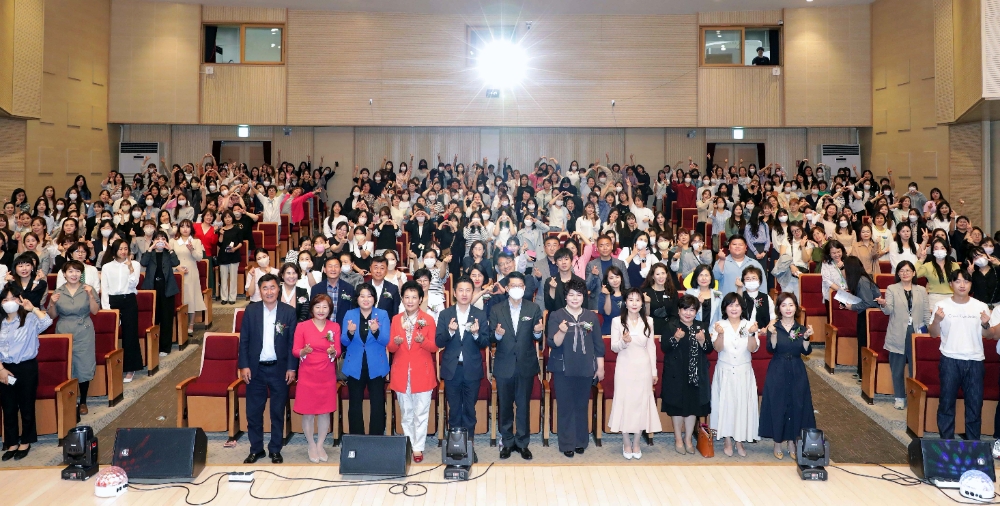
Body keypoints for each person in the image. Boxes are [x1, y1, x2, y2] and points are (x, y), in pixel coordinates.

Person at [238, 274, 298, 464]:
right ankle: (256, 449)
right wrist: (244, 365)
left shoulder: (289, 312)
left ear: (278, 289)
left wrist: (291, 368)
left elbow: (292, 343)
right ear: (260, 290)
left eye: (272, 287)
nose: (269, 292)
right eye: (265, 288)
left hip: (279, 369)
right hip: (255, 369)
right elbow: (244, 340)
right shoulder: (251, 310)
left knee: (277, 411)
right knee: (253, 412)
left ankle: (275, 449)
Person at [488, 271, 544, 460]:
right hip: (504, 364)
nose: (517, 289)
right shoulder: (497, 309)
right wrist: (497, 335)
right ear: (507, 288)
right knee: (505, 406)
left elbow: (537, 336)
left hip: (525, 364)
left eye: (520, 286)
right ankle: (507, 442)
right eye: (513, 285)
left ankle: (522, 443)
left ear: (525, 288)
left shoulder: (533, 308)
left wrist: (538, 332)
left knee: (523, 406)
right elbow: (490, 337)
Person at [929, 269, 990, 440]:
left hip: (975, 360)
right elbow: (933, 334)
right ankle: (946, 442)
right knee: (946, 404)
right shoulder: (942, 305)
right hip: (950, 360)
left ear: (971, 284)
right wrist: (937, 320)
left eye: (966, 281)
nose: (962, 285)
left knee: (975, 406)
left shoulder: (981, 306)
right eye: (958, 281)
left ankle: (973, 444)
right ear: (951, 284)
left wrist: (986, 325)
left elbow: (988, 335)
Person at [546, 278, 604, 458]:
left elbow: (598, 344)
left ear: (584, 297)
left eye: (579, 295)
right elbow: (553, 343)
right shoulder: (556, 315)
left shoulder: (591, 317)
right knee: (565, 406)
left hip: (585, 367)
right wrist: (562, 330)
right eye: (571, 295)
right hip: (563, 368)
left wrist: (600, 367)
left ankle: (580, 441)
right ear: (565, 297)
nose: (575, 298)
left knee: (581, 405)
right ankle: (567, 443)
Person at [435, 276, 490, 460]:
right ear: (454, 293)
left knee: (469, 410)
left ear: (472, 293)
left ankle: (468, 447)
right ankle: (455, 447)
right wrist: (450, 332)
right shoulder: (445, 314)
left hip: (471, 369)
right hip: (452, 369)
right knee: (454, 410)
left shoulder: (479, 314)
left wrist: (476, 334)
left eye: (468, 290)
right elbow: (438, 341)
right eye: (461, 290)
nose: (464, 294)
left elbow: (485, 342)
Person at [759, 293, 816, 460]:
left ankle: (792, 442)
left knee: (796, 405)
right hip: (778, 369)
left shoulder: (801, 329)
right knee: (778, 405)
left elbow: (806, 351)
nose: (788, 308)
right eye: (784, 305)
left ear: (796, 307)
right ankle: (777, 442)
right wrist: (773, 335)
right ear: (779, 308)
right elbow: (771, 348)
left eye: (791, 305)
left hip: (797, 370)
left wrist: (807, 338)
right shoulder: (774, 327)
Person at [387, 281, 438, 463]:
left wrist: (422, 341)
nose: (410, 301)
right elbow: (390, 348)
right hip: (401, 372)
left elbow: (434, 347)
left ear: (420, 299)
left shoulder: (428, 319)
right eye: (407, 297)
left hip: (422, 372)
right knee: (406, 412)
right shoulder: (396, 319)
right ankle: (408, 443)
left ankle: (418, 447)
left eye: (414, 297)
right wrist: (396, 343)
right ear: (402, 299)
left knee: (421, 412)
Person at [0, 284, 53, 461]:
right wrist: (1, 370)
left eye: (13, 298)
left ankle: (26, 441)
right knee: (8, 407)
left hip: (26, 367)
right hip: (4, 368)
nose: (9, 302)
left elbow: (47, 322)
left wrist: (33, 308)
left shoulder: (29, 319)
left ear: (20, 299)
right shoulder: (1, 322)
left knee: (26, 406)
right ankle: (11, 443)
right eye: (5, 299)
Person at [608, 287, 661, 460]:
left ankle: (637, 442)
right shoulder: (617, 321)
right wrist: (624, 342)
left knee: (641, 403)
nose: (634, 303)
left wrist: (654, 371)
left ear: (642, 303)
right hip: (625, 366)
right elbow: (614, 347)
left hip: (643, 367)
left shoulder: (649, 321)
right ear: (625, 302)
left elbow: (651, 347)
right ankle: (626, 442)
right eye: (630, 299)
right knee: (625, 402)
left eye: (637, 300)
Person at [292, 294, 340, 463]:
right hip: (308, 373)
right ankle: (311, 445)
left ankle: (320, 445)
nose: (321, 310)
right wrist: (303, 351)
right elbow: (295, 350)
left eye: (325, 307)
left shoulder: (334, 327)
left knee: (325, 411)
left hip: (326, 373)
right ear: (312, 308)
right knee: (308, 412)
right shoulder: (302, 326)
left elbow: (338, 350)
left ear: (330, 310)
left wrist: (333, 352)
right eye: (318, 307)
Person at [710, 293, 760, 457]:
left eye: (737, 305)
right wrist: (720, 334)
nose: (734, 308)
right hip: (724, 370)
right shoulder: (719, 325)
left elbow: (752, 349)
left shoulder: (750, 325)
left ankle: (739, 440)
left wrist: (752, 334)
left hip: (743, 371)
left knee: (742, 405)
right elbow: (717, 349)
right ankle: (727, 440)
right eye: (730, 305)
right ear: (725, 308)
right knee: (725, 404)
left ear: (742, 308)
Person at [47, 260, 100, 416]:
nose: (74, 274)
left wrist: (90, 296)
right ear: (64, 274)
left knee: (84, 365)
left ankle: (83, 401)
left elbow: (95, 311)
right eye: (70, 271)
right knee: (67, 366)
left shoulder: (88, 289)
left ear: (81, 274)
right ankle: (69, 401)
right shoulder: (58, 291)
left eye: (77, 271)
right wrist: (51, 303)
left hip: (84, 330)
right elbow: (52, 316)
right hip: (63, 331)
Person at [661, 295, 711, 454]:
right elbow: (664, 348)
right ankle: (678, 438)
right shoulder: (671, 325)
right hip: (676, 374)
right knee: (677, 407)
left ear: (696, 312)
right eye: (685, 309)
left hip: (695, 374)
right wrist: (675, 338)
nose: (688, 313)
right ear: (679, 310)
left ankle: (688, 439)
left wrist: (702, 341)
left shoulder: (701, 326)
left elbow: (708, 349)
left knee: (692, 407)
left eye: (692, 310)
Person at [876, 261, 930, 410]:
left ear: (914, 273)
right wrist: (883, 304)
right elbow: (888, 310)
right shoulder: (892, 288)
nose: (905, 273)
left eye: (908, 270)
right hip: (898, 332)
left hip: (917, 332)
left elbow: (926, 313)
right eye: (902, 271)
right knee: (897, 368)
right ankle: (899, 397)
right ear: (898, 273)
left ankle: (914, 398)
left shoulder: (921, 290)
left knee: (915, 367)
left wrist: (929, 331)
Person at [340, 283, 392, 435]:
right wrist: (350, 333)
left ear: (374, 298)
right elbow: (344, 341)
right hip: (355, 365)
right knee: (355, 404)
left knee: (378, 403)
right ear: (357, 298)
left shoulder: (382, 314)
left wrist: (376, 331)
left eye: (369, 296)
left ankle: (376, 437)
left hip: (376, 365)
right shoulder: (350, 314)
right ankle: (357, 437)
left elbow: (385, 340)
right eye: (362, 296)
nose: (366, 299)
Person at [100, 239, 143, 382]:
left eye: (125, 249)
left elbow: (134, 284)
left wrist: (130, 269)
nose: (123, 251)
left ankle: (131, 368)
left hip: (128, 299)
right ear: (114, 250)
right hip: (112, 301)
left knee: (130, 334)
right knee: (111, 334)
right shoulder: (107, 267)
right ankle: (113, 367)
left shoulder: (135, 264)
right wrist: (107, 308)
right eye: (120, 249)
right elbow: (104, 288)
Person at [139, 231, 180, 357]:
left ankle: (165, 347)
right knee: (154, 318)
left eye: (163, 239)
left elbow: (176, 263)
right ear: (153, 240)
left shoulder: (169, 254)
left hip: (167, 289)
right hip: (152, 289)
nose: (160, 241)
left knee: (166, 319)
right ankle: (153, 346)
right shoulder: (149, 253)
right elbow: (143, 262)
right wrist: (151, 248)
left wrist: (170, 249)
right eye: (158, 238)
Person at [842, 256, 881, 380]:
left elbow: (868, 302)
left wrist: (852, 307)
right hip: (864, 314)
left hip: (868, 316)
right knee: (861, 343)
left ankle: (863, 374)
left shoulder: (862, 281)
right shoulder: (860, 279)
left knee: (864, 343)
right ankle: (860, 371)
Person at [170, 220, 206, 336]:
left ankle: (191, 324)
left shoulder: (196, 241)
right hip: (177, 272)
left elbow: (199, 258)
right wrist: (177, 267)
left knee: (191, 297)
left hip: (191, 272)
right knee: (179, 298)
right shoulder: (173, 241)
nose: (185, 229)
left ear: (191, 229)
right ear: (179, 229)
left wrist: (192, 250)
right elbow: (169, 258)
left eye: (188, 227)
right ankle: (179, 324)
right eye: (182, 227)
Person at [585, 235, 630, 309]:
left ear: (612, 246)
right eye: (601, 246)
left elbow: (627, 285)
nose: (605, 248)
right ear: (597, 248)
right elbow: (587, 287)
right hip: (597, 303)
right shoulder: (591, 265)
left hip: (617, 302)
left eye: (607, 245)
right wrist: (592, 274)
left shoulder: (620, 264)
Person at [310, 256, 355, 324]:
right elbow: (311, 312)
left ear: (340, 269)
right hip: (321, 327)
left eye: (336, 266)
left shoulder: (349, 288)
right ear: (324, 270)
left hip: (343, 327)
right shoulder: (316, 289)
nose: (333, 269)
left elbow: (352, 310)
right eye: (330, 266)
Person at [544, 247, 587, 311]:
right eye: (560, 260)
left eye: (566, 259)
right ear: (556, 263)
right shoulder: (549, 281)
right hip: (556, 316)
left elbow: (585, 306)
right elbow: (548, 307)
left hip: (575, 316)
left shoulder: (580, 282)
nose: (563, 262)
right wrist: (552, 289)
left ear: (571, 261)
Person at [215, 210, 242, 305]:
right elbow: (219, 243)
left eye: (229, 217)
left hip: (234, 255)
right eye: (225, 217)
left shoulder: (237, 229)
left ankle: (232, 297)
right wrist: (221, 234)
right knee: (223, 278)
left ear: (232, 218)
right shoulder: (221, 230)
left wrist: (235, 249)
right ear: (223, 219)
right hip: (223, 256)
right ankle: (224, 298)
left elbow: (241, 243)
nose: (227, 219)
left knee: (233, 278)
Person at [686, 264, 722, 329]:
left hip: (713, 331)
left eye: (706, 275)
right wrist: (698, 304)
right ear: (696, 277)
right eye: (701, 275)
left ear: (711, 277)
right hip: (694, 330)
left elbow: (720, 315)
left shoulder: (717, 294)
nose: (703, 278)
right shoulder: (689, 293)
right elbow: (686, 315)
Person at [598, 266, 625, 335]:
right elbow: (607, 313)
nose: (615, 280)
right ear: (607, 280)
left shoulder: (627, 294)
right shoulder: (603, 295)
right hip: (609, 331)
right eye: (611, 278)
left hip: (626, 331)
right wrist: (608, 296)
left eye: (617, 277)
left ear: (621, 278)